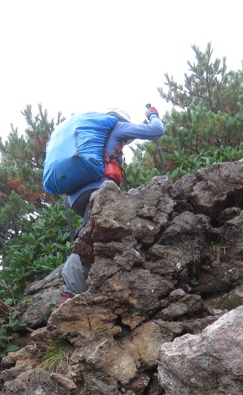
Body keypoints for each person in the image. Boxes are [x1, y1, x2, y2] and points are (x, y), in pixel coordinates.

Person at [61, 106, 165, 298]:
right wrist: (153, 115)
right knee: (90, 238)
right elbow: (156, 131)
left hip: (76, 197)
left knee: (89, 233)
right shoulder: (117, 126)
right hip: (98, 190)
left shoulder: (90, 136)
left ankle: (79, 283)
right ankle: (73, 290)